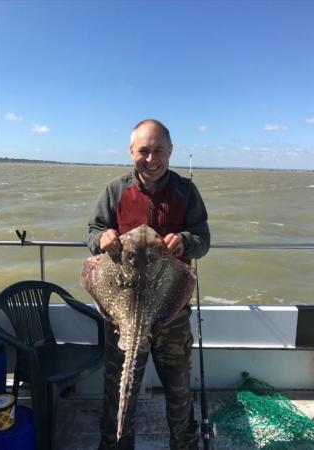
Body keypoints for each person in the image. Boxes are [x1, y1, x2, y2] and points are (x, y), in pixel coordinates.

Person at [88, 119, 210, 450]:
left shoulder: (186, 191)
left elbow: (203, 239)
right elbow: (92, 232)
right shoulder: (115, 191)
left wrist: (185, 241)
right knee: (119, 390)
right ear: (131, 152)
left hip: (171, 310)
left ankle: (184, 444)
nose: (151, 159)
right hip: (123, 314)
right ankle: (114, 446)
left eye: (159, 151)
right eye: (144, 151)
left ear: (170, 152)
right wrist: (104, 237)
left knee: (179, 390)